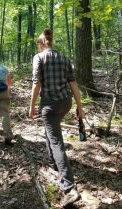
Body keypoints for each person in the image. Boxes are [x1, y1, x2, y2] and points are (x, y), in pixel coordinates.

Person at [28, 29, 84, 207]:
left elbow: (36, 84)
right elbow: (73, 84)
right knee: (51, 131)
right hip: (65, 103)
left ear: (41, 43)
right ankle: (52, 161)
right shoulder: (64, 57)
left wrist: (31, 106)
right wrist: (79, 107)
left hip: (50, 105)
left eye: (38, 44)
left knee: (56, 142)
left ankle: (69, 188)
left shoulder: (39, 58)